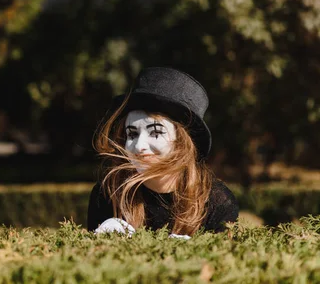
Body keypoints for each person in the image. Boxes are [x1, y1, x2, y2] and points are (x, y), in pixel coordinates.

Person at [88, 67, 238, 237]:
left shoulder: (216, 202)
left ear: (182, 142)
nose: (139, 146)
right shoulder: (109, 194)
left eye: (155, 132)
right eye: (132, 133)